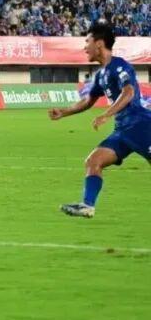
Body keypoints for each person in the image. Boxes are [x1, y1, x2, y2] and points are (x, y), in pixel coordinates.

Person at [49, 23, 151, 217]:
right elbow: (88, 101)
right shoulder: (100, 75)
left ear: (99, 43)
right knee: (93, 161)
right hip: (122, 131)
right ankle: (87, 205)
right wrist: (63, 112)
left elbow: (128, 93)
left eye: (87, 41)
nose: (84, 47)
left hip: (141, 126)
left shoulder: (120, 66)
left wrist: (106, 114)